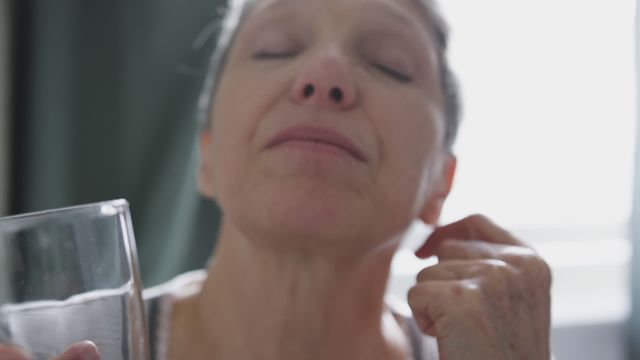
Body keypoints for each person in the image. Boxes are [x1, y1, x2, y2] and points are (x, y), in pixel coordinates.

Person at [1, 0, 552, 358]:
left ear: (441, 183)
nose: (324, 76)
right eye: (276, 49)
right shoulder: (32, 346)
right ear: (206, 157)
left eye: (389, 63)